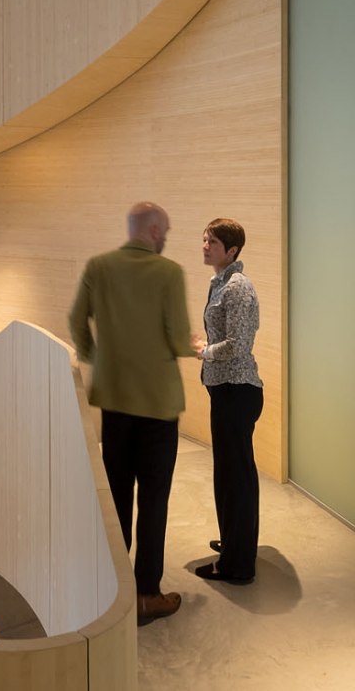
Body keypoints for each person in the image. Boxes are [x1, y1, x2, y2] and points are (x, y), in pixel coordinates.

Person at [69, 202, 192, 625]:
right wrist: (188, 343)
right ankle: (146, 596)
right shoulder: (169, 273)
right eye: (167, 231)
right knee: (154, 501)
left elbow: (75, 320)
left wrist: (97, 358)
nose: (167, 238)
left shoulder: (99, 266)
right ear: (154, 231)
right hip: (157, 406)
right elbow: (178, 339)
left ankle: (113, 590)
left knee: (117, 494)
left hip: (115, 402)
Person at [189, 218, 262, 585]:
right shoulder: (220, 282)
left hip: (237, 390)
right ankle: (237, 545)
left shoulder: (237, 288)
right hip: (227, 390)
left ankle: (237, 566)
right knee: (235, 476)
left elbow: (238, 345)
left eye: (212, 241)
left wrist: (203, 351)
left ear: (231, 250)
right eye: (204, 239)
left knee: (235, 479)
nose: (205, 245)